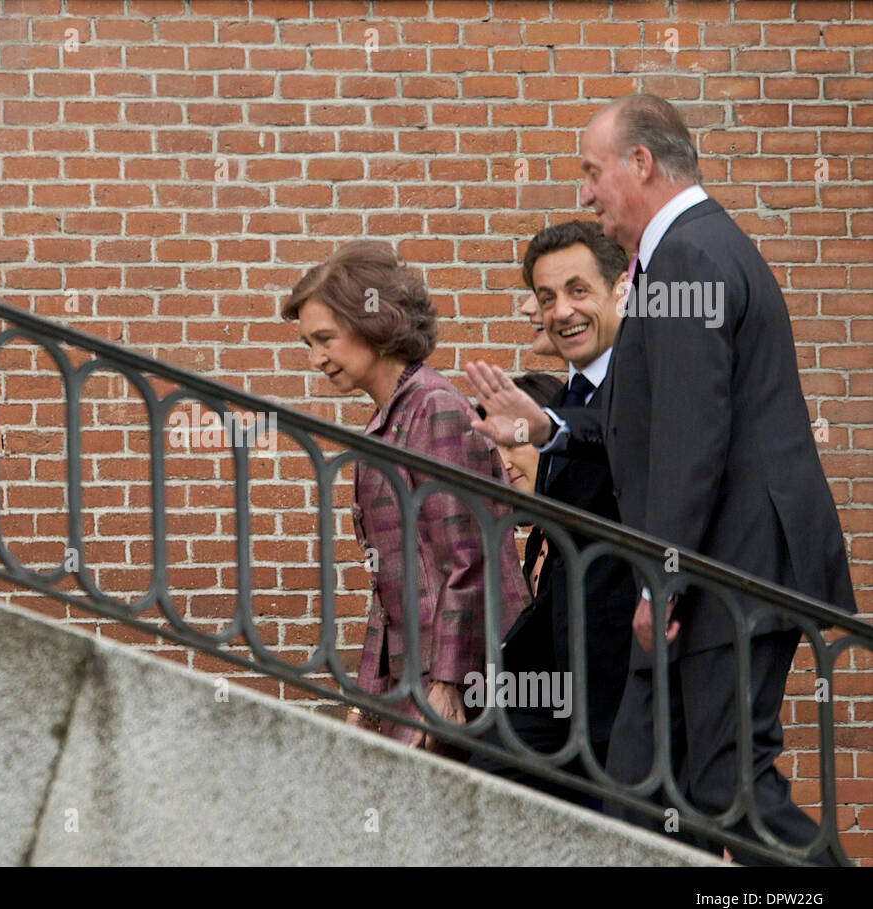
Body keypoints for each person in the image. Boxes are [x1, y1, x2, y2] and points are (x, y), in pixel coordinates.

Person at [466, 94, 856, 864]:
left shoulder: (688, 255)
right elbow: (646, 414)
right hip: (715, 571)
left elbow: (689, 441)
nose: (585, 193)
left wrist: (661, 584)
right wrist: (550, 428)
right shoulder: (691, 252)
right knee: (639, 785)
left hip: (725, 574)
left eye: (592, 170)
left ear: (640, 162)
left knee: (724, 786)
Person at [282, 240, 529, 756]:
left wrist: (450, 683)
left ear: (373, 323)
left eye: (326, 338)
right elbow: (388, 592)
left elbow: (472, 557)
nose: (316, 358)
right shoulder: (391, 417)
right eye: (309, 342)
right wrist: (365, 703)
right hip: (416, 674)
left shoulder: (435, 406)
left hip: (462, 677)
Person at [467, 221, 636, 807]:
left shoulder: (650, 381)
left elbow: (624, 438)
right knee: (491, 767)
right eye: (546, 299)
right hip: (564, 660)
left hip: (635, 661)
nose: (561, 310)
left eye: (578, 290)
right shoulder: (574, 392)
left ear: (624, 289)